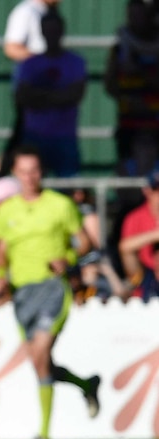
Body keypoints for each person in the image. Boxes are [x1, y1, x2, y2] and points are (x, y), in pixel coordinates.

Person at [0, 146, 101, 439]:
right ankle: (85, 385)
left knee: (39, 354)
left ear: (42, 172)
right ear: (15, 174)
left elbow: (85, 242)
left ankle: (44, 435)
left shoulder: (60, 205)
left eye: (35, 170)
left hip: (53, 288)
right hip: (23, 293)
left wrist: (67, 258)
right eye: (24, 171)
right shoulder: (7, 211)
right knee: (41, 363)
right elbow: (2, 249)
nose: (30, 177)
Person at [15, 8, 86, 177]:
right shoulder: (30, 64)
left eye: (55, 30)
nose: (51, 35)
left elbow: (75, 95)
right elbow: (22, 96)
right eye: (48, 30)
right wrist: (58, 96)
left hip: (65, 136)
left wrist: (40, 96)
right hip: (35, 135)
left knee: (68, 184)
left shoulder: (75, 62)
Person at [103, 0, 159, 174]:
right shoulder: (120, 49)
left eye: (139, 15)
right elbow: (109, 86)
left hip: (155, 123)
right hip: (130, 123)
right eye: (131, 16)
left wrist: (143, 75)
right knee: (128, 177)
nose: (135, 20)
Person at [3, 0, 61, 160]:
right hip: (31, 89)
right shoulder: (26, 11)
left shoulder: (48, 11)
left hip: (47, 87)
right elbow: (11, 48)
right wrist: (42, 62)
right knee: (24, 140)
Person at [119, 171, 159, 299]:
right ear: (147, 191)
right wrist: (155, 235)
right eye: (156, 189)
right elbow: (125, 247)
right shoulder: (135, 218)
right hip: (144, 274)